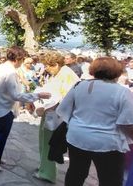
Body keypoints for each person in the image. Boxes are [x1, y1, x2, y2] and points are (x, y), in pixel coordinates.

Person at [57, 57, 133, 186]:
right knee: (110, 180)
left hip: (77, 137)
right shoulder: (122, 92)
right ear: (117, 72)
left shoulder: (80, 85)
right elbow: (127, 122)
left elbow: (64, 109)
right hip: (108, 143)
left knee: (76, 173)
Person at [0, 46, 51, 171]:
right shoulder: (10, 72)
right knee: (1, 136)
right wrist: (37, 95)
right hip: (3, 108)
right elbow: (16, 95)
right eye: (22, 59)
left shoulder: (2, 66)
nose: (22, 62)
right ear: (18, 59)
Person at [32, 51, 79, 183]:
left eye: (47, 65)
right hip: (50, 113)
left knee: (48, 144)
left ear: (56, 64)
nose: (45, 68)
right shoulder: (60, 73)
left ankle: (47, 172)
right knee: (44, 142)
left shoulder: (67, 75)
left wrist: (49, 106)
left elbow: (66, 97)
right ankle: (43, 167)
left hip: (56, 117)